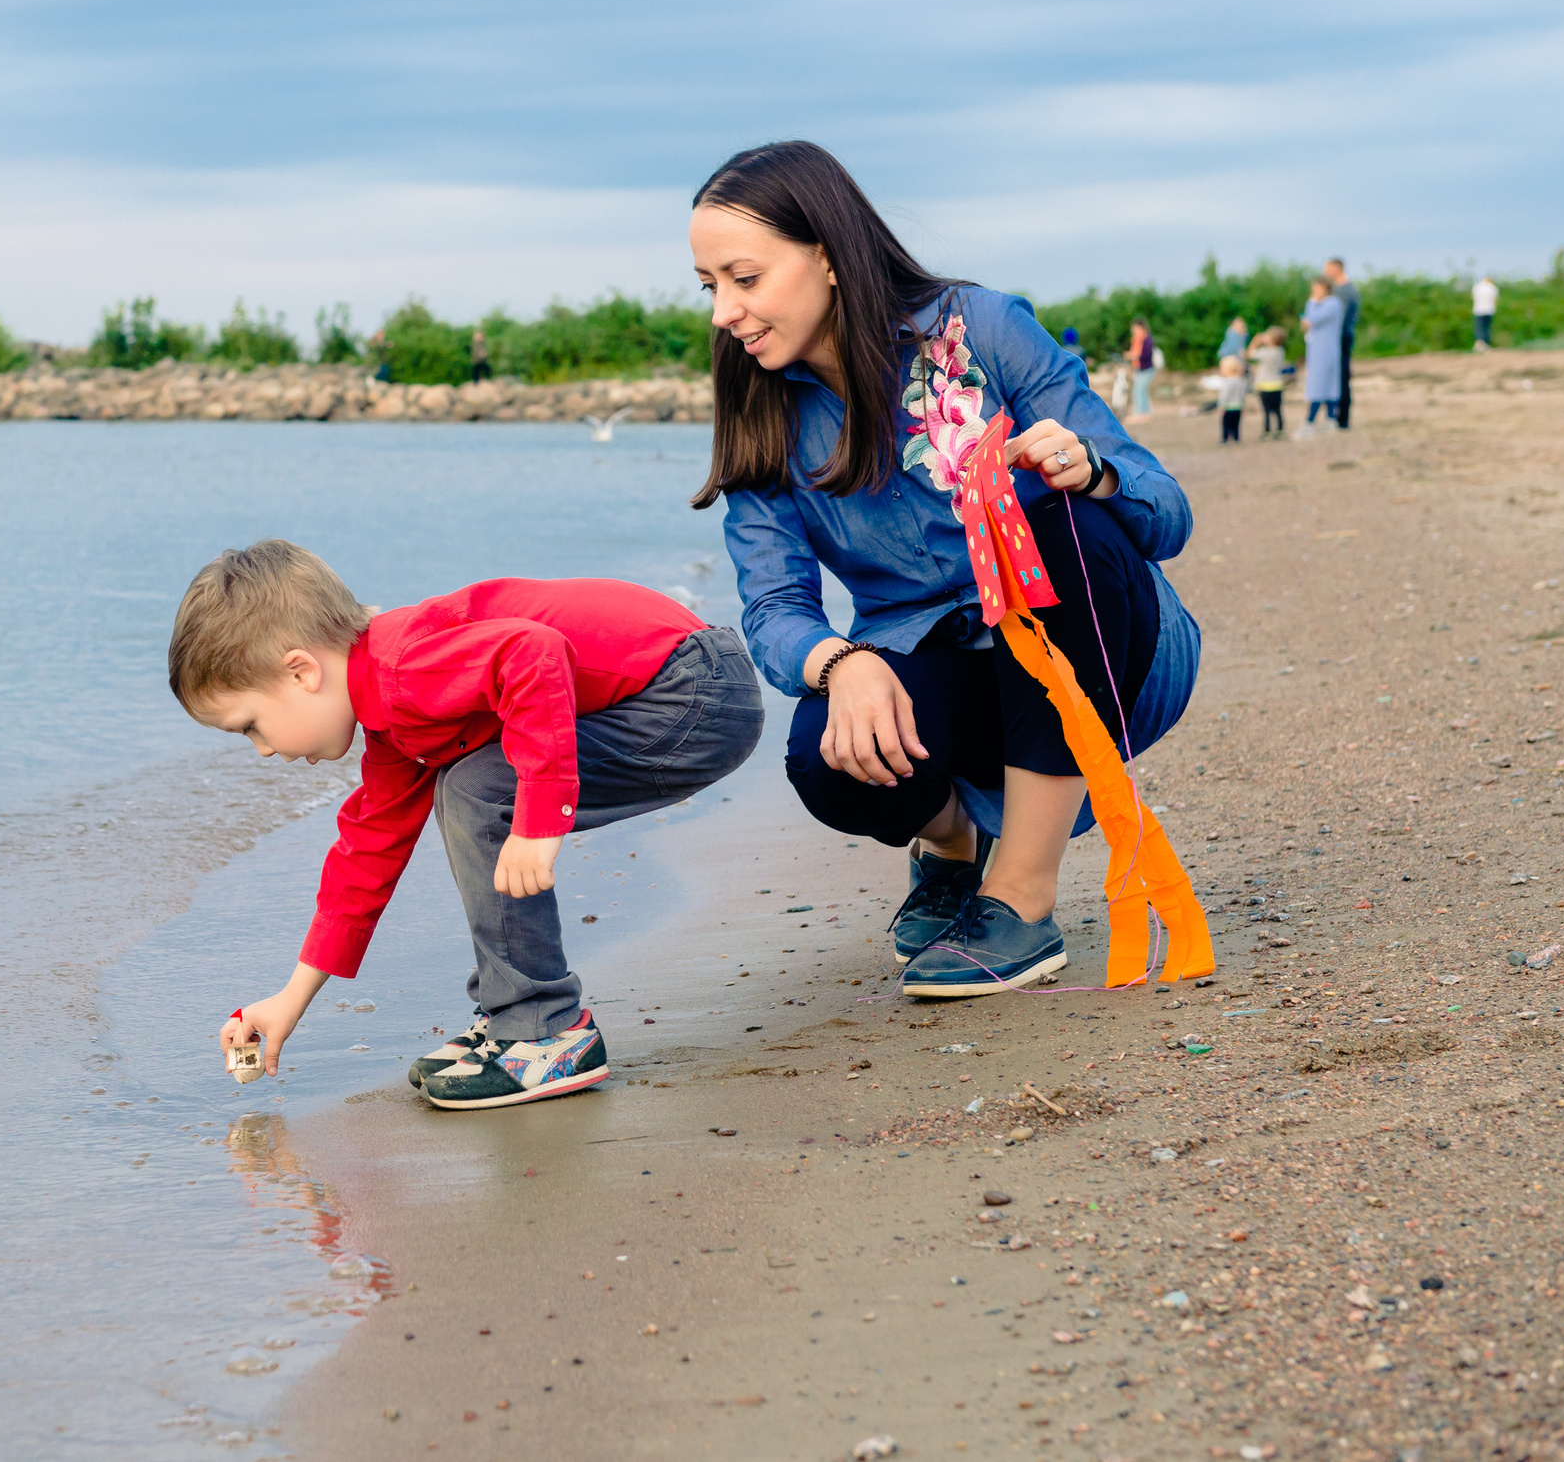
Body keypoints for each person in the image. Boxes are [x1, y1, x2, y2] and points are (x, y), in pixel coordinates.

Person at [691, 141, 1198, 998]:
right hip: (943, 662)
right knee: (824, 754)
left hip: (1103, 649)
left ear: (825, 253)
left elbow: (1166, 512)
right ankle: (956, 841)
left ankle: (1023, 900)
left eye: (744, 278)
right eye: (710, 287)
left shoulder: (987, 327)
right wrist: (839, 662)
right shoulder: (761, 406)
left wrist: (1091, 470)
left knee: (1064, 523)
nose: (723, 313)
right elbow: (774, 607)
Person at [175, 540, 762, 1109]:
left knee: (476, 789)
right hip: (681, 682)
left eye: (251, 725)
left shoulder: (404, 671)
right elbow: (365, 858)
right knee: (468, 786)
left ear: (302, 672)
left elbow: (534, 653)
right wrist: (290, 1000)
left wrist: (538, 816)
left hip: (695, 691)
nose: (261, 750)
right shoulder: (391, 719)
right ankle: (517, 1018)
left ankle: (542, 1030)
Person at [1298, 279, 1345, 432]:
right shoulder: (1319, 303)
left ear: (1325, 288)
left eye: (1316, 289)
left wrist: (1311, 303)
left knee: (1321, 385)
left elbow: (1312, 319)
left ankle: (1311, 422)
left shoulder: (1332, 303)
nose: (1314, 292)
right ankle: (1329, 419)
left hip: (1327, 349)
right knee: (1324, 383)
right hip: (1316, 349)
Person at [1323, 259, 1360, 430]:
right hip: (1339, 338)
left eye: (1327, 268)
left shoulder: (1345, 290)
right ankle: (1336, 417)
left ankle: (1341, 419)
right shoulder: (1342, 289)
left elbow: (1341, 320)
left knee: (1341, 377)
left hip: (1340, 338)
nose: (1324, 271)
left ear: (1337, 268)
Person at [1251, 326, 1289, 438]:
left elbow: (1249, 353)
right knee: (1278, 410)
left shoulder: (1264, 352)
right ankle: (1280, 430)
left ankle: (1267, 431)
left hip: (1264, 385)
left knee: (1266, 411)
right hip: (1277, 384)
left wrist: (1256, 341)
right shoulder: (1280, 352)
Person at [1126, 319, 1158, 424]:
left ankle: (1141, 414)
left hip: (1146, 369)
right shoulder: (1137, 339)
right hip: (1140, 369)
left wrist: (1133, 356)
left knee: (1139, 391)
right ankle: (1145, 413)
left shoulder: (1146, 339)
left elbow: (1145, 355)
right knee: (1139, 391)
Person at [1214, 354, 1247, 444]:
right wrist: (1243, 404)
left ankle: (1225, 438)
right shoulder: (1241, 381)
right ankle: (1236, 437)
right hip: (1238, 406)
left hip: (1228, 407)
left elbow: (1224, 396)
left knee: (1226, 424)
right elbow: (1242, 395)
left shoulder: (1226, 383)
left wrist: (1221, 405)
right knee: (1236, 424)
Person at [1473, 275, 1500, 350]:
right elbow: (1495, 299)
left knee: (1479, 328)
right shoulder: (1492, 287)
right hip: (1489, 310)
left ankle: (1479, 343)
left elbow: (1474, 297)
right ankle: (1486, 344)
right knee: (1487, 328)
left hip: (1479, 310)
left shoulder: (1477, 287)